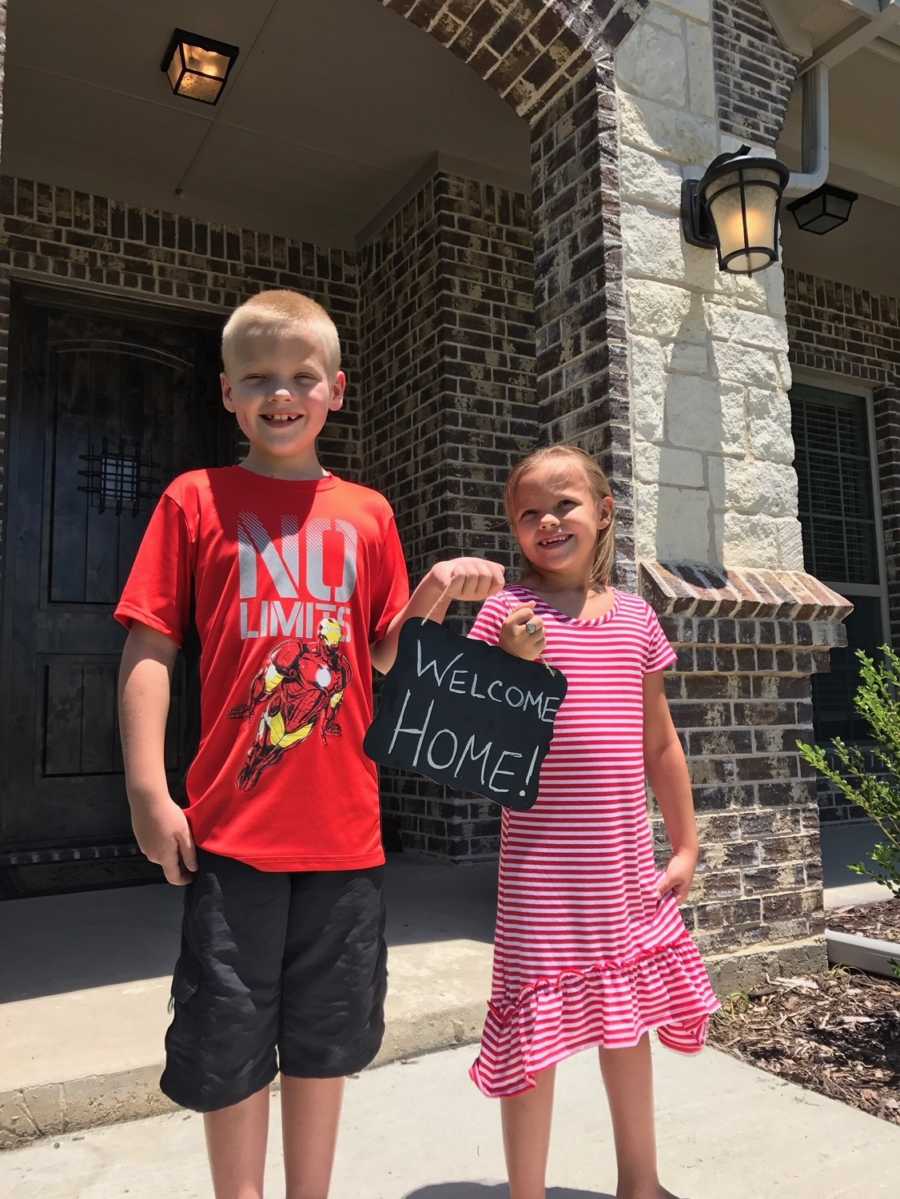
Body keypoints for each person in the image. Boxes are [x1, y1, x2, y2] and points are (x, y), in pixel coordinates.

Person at [115, 289, 503, 1199]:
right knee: (229, 1041)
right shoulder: (195, 499)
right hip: (230, 831)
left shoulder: (367, 514)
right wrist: (146, 789)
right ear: (226, 392)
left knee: (325, 1040)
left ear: (336, 389)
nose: (280, 393)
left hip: (344, 833)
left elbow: (378, 654)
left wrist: (435, 593)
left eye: (301, 376)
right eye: (258, 377)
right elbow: (150, 644)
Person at [466, 444, 720, 1199]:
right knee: (533, 1042)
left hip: (620, 866)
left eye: (564, 504)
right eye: (528, 513)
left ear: (604, 512)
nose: (547, 521)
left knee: (627, 1020)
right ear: (514, 529)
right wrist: (513, 664)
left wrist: (685, 840)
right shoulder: (505, 615)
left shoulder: (638, 618)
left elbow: (660, 741)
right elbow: (480, 748)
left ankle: (640, 1180)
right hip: (542, 875)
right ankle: (526, 1192)